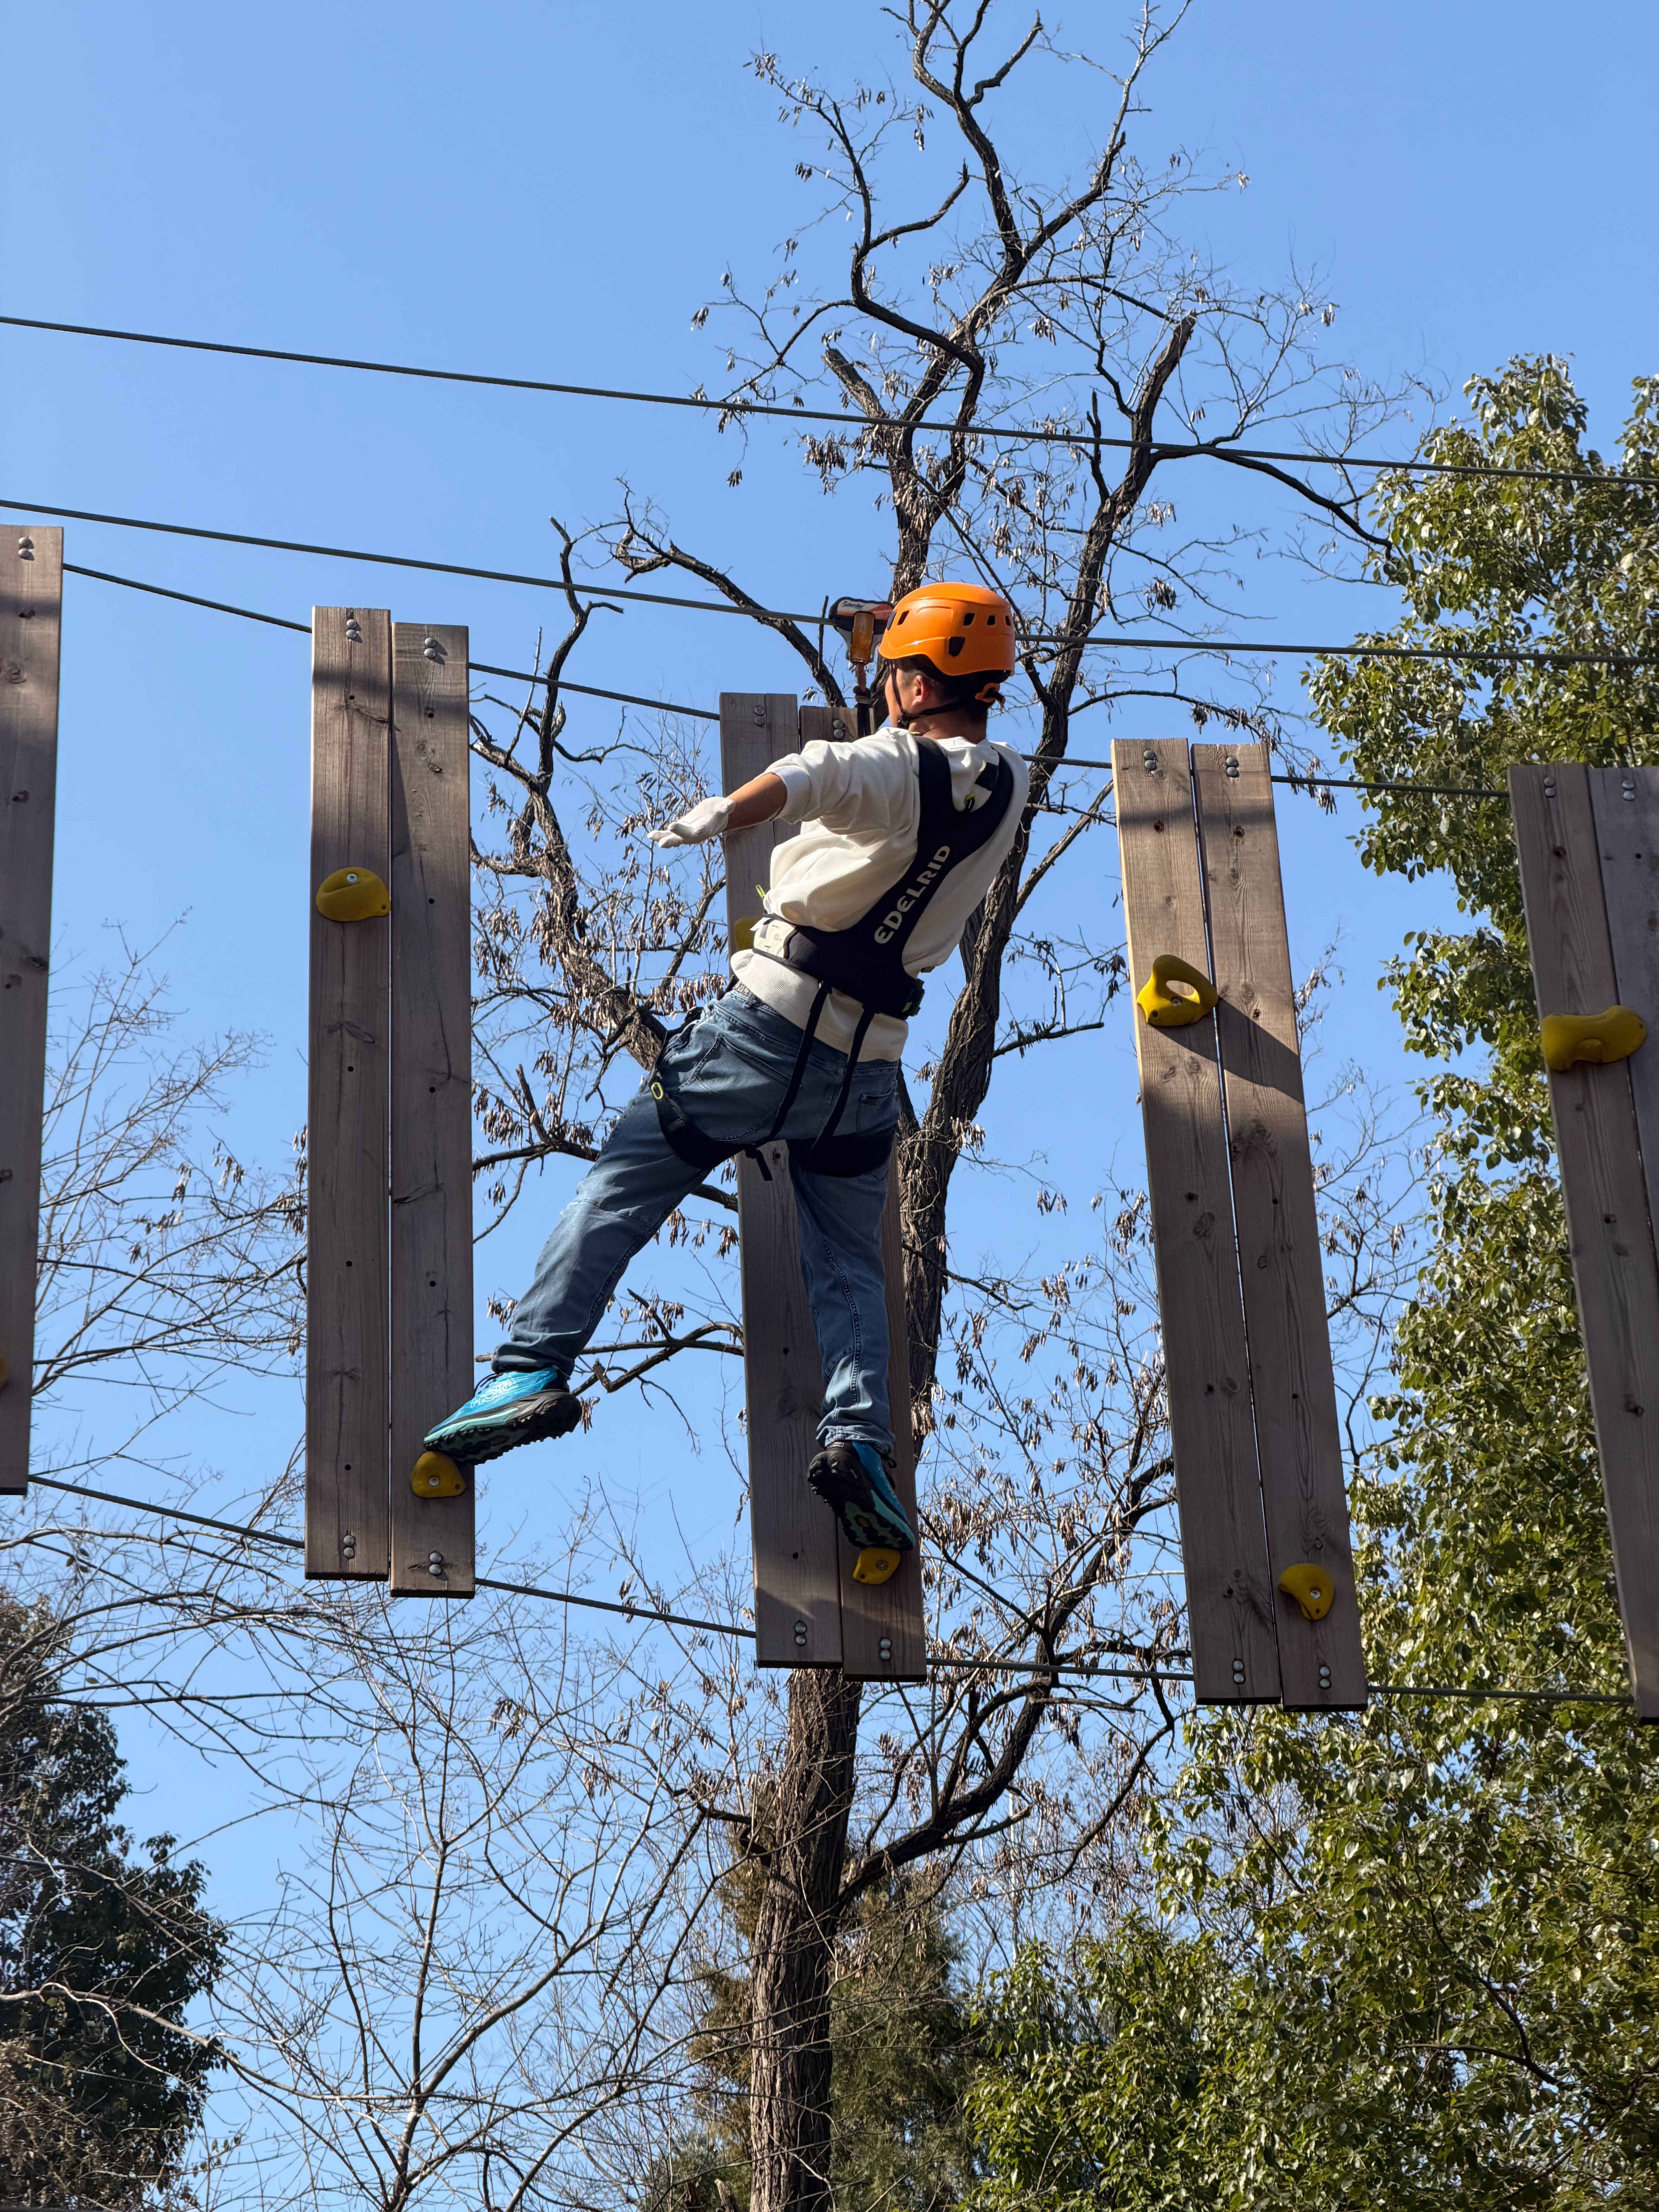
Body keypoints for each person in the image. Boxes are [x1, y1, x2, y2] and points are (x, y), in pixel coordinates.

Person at [424, 580, 1028, 1576]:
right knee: (850, 1270)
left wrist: (723, 812)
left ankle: (530, 1367)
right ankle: (861, 1443)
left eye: (894, 678)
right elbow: (922, 748)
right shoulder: (1005, 781)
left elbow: (817, 773)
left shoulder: (887, 761)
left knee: (623, 1181)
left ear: (917, 685)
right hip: (866, 1074)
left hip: (763, 1033)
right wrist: (882, 635)